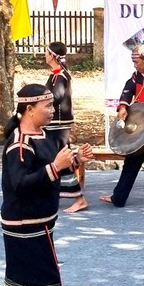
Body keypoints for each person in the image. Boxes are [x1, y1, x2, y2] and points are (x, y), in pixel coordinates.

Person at [0, 83, 92, 286]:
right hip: (25, 224)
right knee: (45, 281)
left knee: (20, 279)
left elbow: (53, 164)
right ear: (29, 109)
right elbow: (19, 185)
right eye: (47, 106)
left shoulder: (45, 135)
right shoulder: (19, 145)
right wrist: (55, 167)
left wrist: (76, 158)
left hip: (39, 222)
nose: (53, 111)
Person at [100, 44, 144, 212]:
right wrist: (123, 107)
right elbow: (127, 92)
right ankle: (118, 197)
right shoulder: (137, 76)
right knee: (130, 165)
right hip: (137, 132)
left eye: (137, 62)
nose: (134, 65)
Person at [44, 42, 87, 213]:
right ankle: (53, 193)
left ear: (53, 55)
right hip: (54, 123)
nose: (44, 55)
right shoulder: (55, 74)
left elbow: (56, 97)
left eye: (47, 52)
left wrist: (38, 96)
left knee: (64, 159)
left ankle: (79, 198)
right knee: (53, 159)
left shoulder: (61, 75)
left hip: (59, 124)